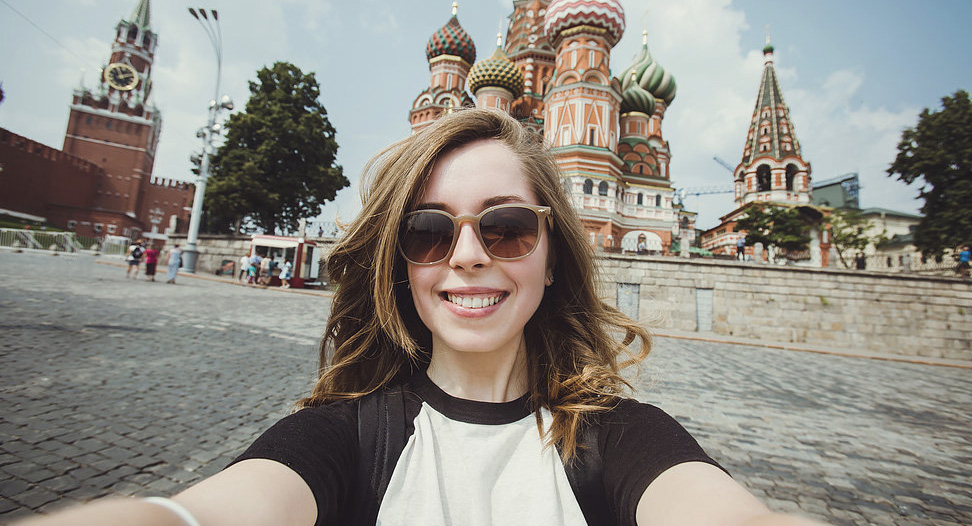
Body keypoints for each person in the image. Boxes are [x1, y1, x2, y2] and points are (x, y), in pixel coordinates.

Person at [17, 109, 828, 526]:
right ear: (402, 270)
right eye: (428, 232)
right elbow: (205, 512)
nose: (469, 255)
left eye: (506, 226)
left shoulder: (620, 438)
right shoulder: (345, 435)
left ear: (552, 255)